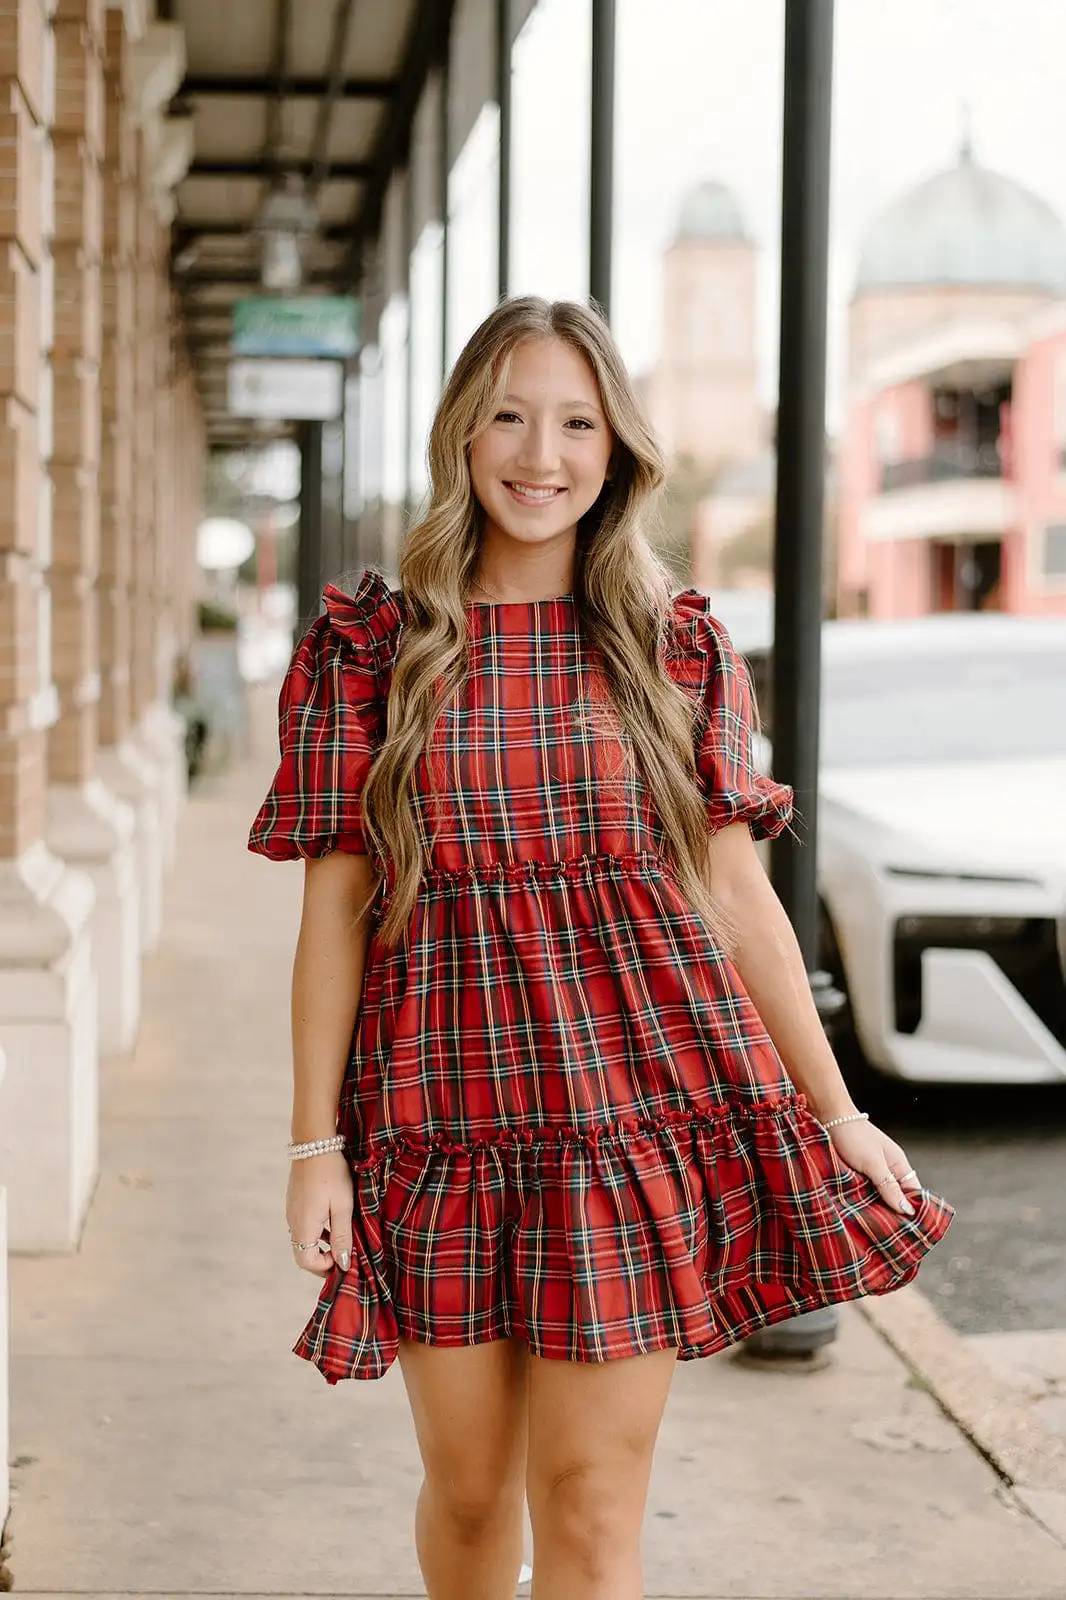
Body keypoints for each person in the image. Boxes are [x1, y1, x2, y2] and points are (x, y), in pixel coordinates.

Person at [248, 296, 953, 1600]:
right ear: (461, 434)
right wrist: (312, 1147)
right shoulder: (369, 651)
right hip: (435, 1122)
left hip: (627, 1124)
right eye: (509, 415)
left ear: (617, 448)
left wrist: (835, 1111)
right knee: (467, 1502)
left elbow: (737, 897)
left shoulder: (669, 646)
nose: (541, 453)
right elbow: (333, 915)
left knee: (585, 1512)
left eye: (577, 422)